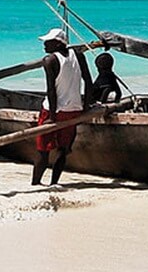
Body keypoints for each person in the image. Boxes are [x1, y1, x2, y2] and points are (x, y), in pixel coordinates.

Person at [32, 27, 87, 186]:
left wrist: (52, 118)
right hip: (73, 112)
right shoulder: (79, 55)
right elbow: (88, 82)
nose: (44, 45)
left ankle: (36, 184)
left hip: (52, 111)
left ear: (57, 44)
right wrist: (86, 107)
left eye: (48, 42)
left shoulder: (49, 60)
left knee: (43, 151)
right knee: (63, 149)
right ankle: (54, 183)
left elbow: (51, 91)